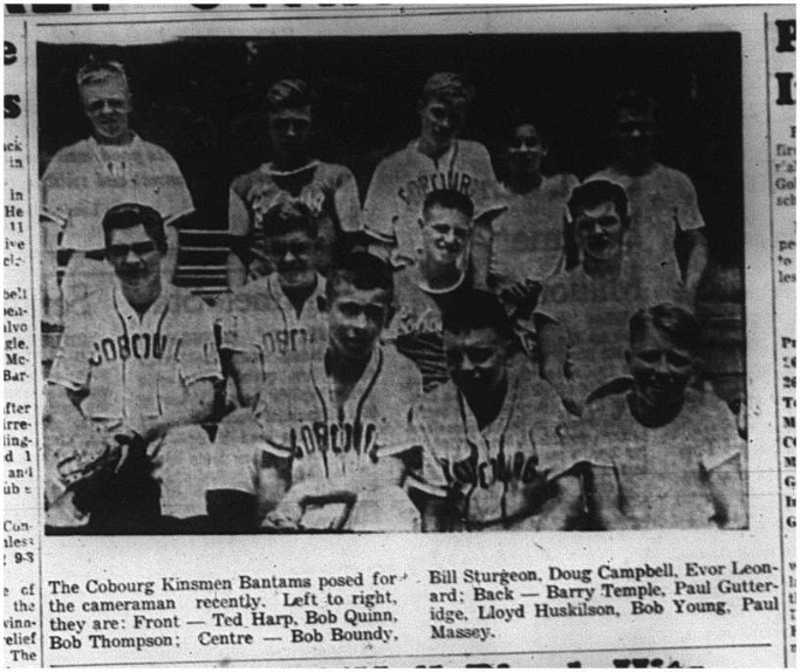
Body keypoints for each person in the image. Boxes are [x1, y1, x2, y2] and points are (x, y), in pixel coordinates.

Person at [210, 253, 424, 532]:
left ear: (390, 317)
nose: (360, 325)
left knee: (391, 503)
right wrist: (277, 521)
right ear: (324, 308)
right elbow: (273, 474)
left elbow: (390, 473)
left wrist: (307, 491)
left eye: (373, 313)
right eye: (349, 309)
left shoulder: (402, 374)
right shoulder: (288, 375)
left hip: (365, 514)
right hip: (302, 518)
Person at [44, 203, 221, 533]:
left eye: (142, 248)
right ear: (108, 257)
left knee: (190, 442)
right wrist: (82, 435)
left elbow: (203, 397)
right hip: (100, 434)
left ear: (163, 250)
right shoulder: (87, 311)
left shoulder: (191, 308)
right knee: (44, 457)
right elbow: (58, 390)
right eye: (120, 251)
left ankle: (186, 540)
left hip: (161, 434)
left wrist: (141, 429)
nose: (132, 260)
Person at [559, 304, 747, 530]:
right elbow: (607, 513)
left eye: (677, 361)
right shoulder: (604, 416)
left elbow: (734, 514)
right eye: (649, 357)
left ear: (695, 369)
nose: (662, 370)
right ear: (629, 359)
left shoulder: (712, 414)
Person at [407, 291, 583, 532]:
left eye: (480, 355)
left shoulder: (540, 400)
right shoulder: (430, 410)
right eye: (454, 357)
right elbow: (433, 505)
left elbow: (569, 494)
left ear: (507, 351)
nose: (466, 367)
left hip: (530, 537)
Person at [41, 60, 194, 327]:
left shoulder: (158, 159)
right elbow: (46, 233)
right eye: (96, 105)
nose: (107, 111)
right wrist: (52, 294)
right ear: (85, 109)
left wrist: (163, 286)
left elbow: (170, 233)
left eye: (115, 102)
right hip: (87, 275)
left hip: (142, 273)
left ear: (129, 102)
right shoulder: (68, 160)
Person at [535, 180, 685, 415]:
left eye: (607, 222)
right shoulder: (556, 290)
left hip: (647, 401)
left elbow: (674, 352)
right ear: (575, 232)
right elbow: (552, 368)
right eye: (587, 225)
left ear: (625, 225)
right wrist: (579, 405)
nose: (597, 232)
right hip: (585, 404)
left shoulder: (655, 282)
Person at [226, 78, 361, 287]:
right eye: (281, 125)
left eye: (299, 125)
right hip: (264, 296)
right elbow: (237, 253)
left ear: (311, 126)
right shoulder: (244, 186)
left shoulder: (338, 178)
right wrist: (235, 302)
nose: (291, 133)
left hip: (321, 293)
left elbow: (354, 248)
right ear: (268, 127)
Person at [361, 72, 497, 268]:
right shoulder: (391, 168)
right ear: (421, 108)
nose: (445, 124)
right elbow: (379, 243)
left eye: (455, 117)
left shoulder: (476, 155)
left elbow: (484, 229)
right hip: (410, 276)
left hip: (463, 278)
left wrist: (480, 285)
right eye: (438, 113)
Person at [587, 91, 708, 304]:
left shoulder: (676, 182)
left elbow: (696, 240)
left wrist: (689, 290)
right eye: (626, 128)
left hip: (662, 300)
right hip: (609, 301)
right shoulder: (594, 184)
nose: (636, 135)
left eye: (643, 127)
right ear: (614, 132)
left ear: (656, 131)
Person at [220, 197, 328, 408]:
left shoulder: (340, 298)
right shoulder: (246, 302)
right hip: (268, 418)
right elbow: (250, 389)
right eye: (278, 250)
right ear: (267, 251)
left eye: (299, 248)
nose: (288, 258)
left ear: (317, 247)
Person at [389, 189, 475, 391]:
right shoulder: (393, 286)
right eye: (441, 229)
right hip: (401, 393)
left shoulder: (473, 292)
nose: (451, 239)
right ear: (421, 227)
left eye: (460, 232)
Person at [481, 120, 579, 292]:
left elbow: (577, 248)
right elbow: (479, 254)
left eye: (531, 143)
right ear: (505, 150)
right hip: (501, 297)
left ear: (544, 149)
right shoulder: (489, 195)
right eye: (515, 144)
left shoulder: (564, 188)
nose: (523, 150)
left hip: (553, 297)